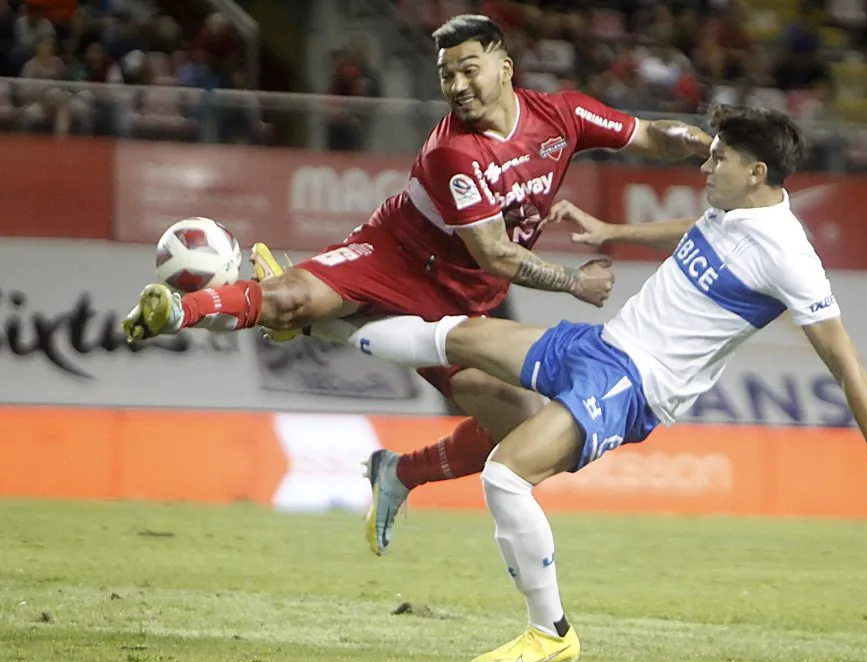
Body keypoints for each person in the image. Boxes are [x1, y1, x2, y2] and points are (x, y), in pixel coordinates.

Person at [335, 104, 867, 662]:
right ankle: (318, 320)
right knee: (460, 337)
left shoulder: (790, 256)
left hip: (635, 386)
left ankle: (551, 634)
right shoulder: (731, 209)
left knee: (506, 475)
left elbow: (847, 364)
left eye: (718, 158)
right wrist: (608, 230)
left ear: (756, 172)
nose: (706, 165)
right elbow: (693, 229)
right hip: (604, 345)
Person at [120, 15, 711, 560]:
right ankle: (181, 307)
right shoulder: (451, 151)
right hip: (393, 259)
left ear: (504, 68)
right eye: (445, 74)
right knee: (294, 296)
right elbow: (496, 254)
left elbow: (650, 135)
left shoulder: (565, 116)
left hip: (462, 307)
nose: (456, 85)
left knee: (531, 429)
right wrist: (572, 281)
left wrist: (711, 145)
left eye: (467, 68)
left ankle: (398, 473)